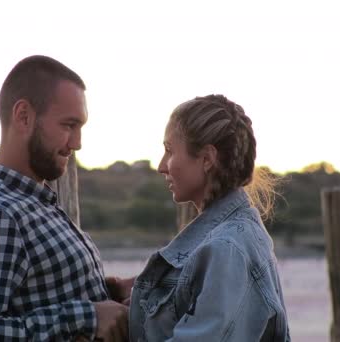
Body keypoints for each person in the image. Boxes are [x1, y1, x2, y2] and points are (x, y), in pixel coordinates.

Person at [0, 55, 128, 341]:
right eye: (69, 125)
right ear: (24, 116)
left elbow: (39, 293)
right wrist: (88, 317)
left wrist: (112, 292)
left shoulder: (37, 203)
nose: (77, 143)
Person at [124, 94, 291, 341]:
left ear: (207, 159)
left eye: (169, 151)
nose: (161, 166)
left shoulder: (227, 248)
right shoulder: (228, 239)